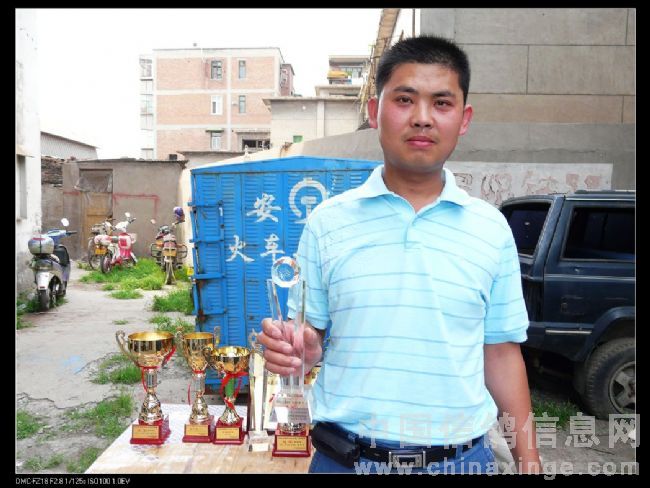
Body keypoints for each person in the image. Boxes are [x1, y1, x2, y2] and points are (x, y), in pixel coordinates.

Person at [257, 35, 541, 475]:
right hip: (346, 462)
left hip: (459, 463)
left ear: (464, 119)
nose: (422, 118)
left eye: (441, 103)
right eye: (405, 100)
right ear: (375, 112)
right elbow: (310, 339)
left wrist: (530, 461)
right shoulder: (327, 223)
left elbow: (502, 355)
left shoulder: (490, 230)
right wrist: (299, 353)